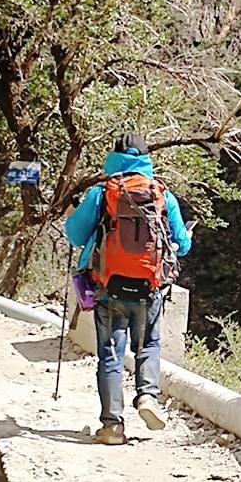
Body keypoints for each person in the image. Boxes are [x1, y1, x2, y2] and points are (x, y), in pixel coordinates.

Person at [64, 134, 193, 445]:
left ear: (114, 157)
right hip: (149, 288)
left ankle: (112, 426)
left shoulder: (103, 192)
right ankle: (147, 396)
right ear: (147, 159)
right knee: (148, 344)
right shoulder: (162, 194)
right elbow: (183, 246)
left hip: (109, 288)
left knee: (110, 354)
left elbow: (75, 234)